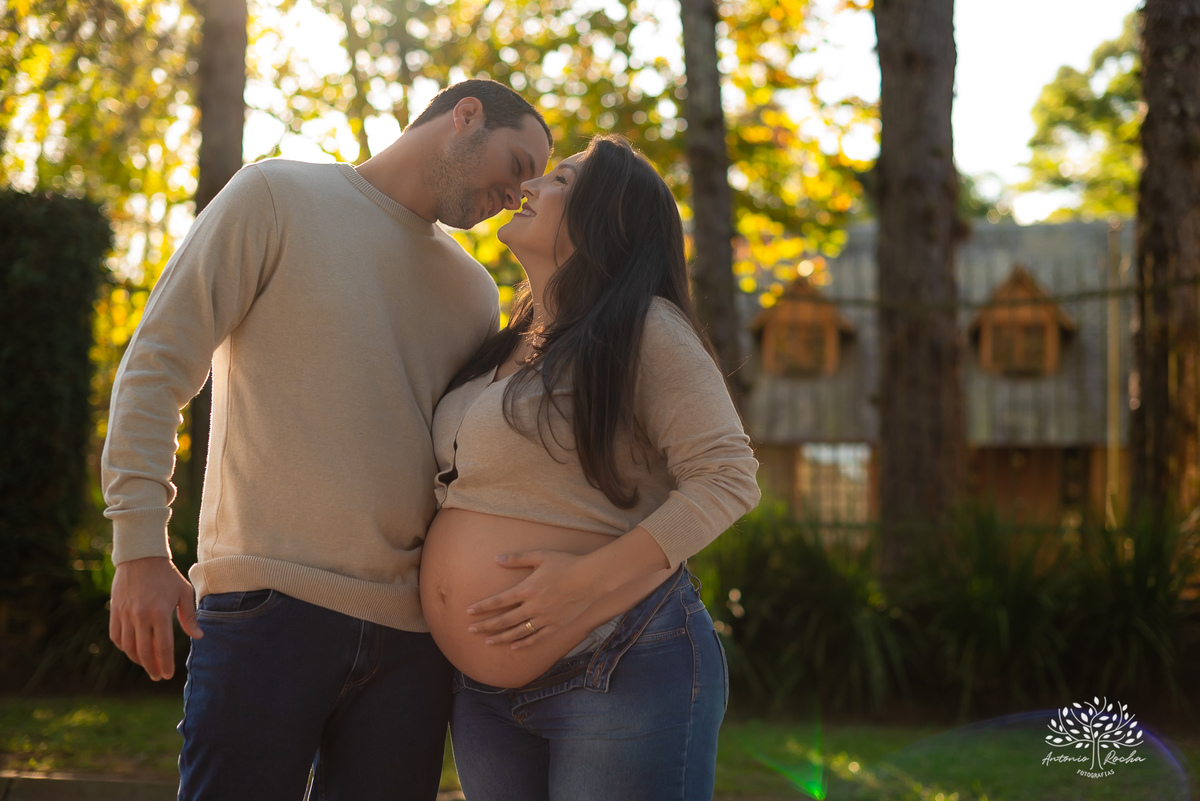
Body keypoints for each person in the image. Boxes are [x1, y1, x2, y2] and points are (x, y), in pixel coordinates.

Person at [101, 79, 552, 801]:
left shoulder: (474, 291)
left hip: (413, 643)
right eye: (518, 163)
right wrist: (140, 548)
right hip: (267, 612)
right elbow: (156, 367)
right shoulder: (274, 195)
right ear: (464, 116)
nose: (521, 192)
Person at [419, 135, 761, 801]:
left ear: (608, 221)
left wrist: (581, 583)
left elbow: (727, 476)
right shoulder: (501, 344)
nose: (533, 186)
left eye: (563, 181)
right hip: (482, 695)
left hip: (619, 665)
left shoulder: (646, 327)